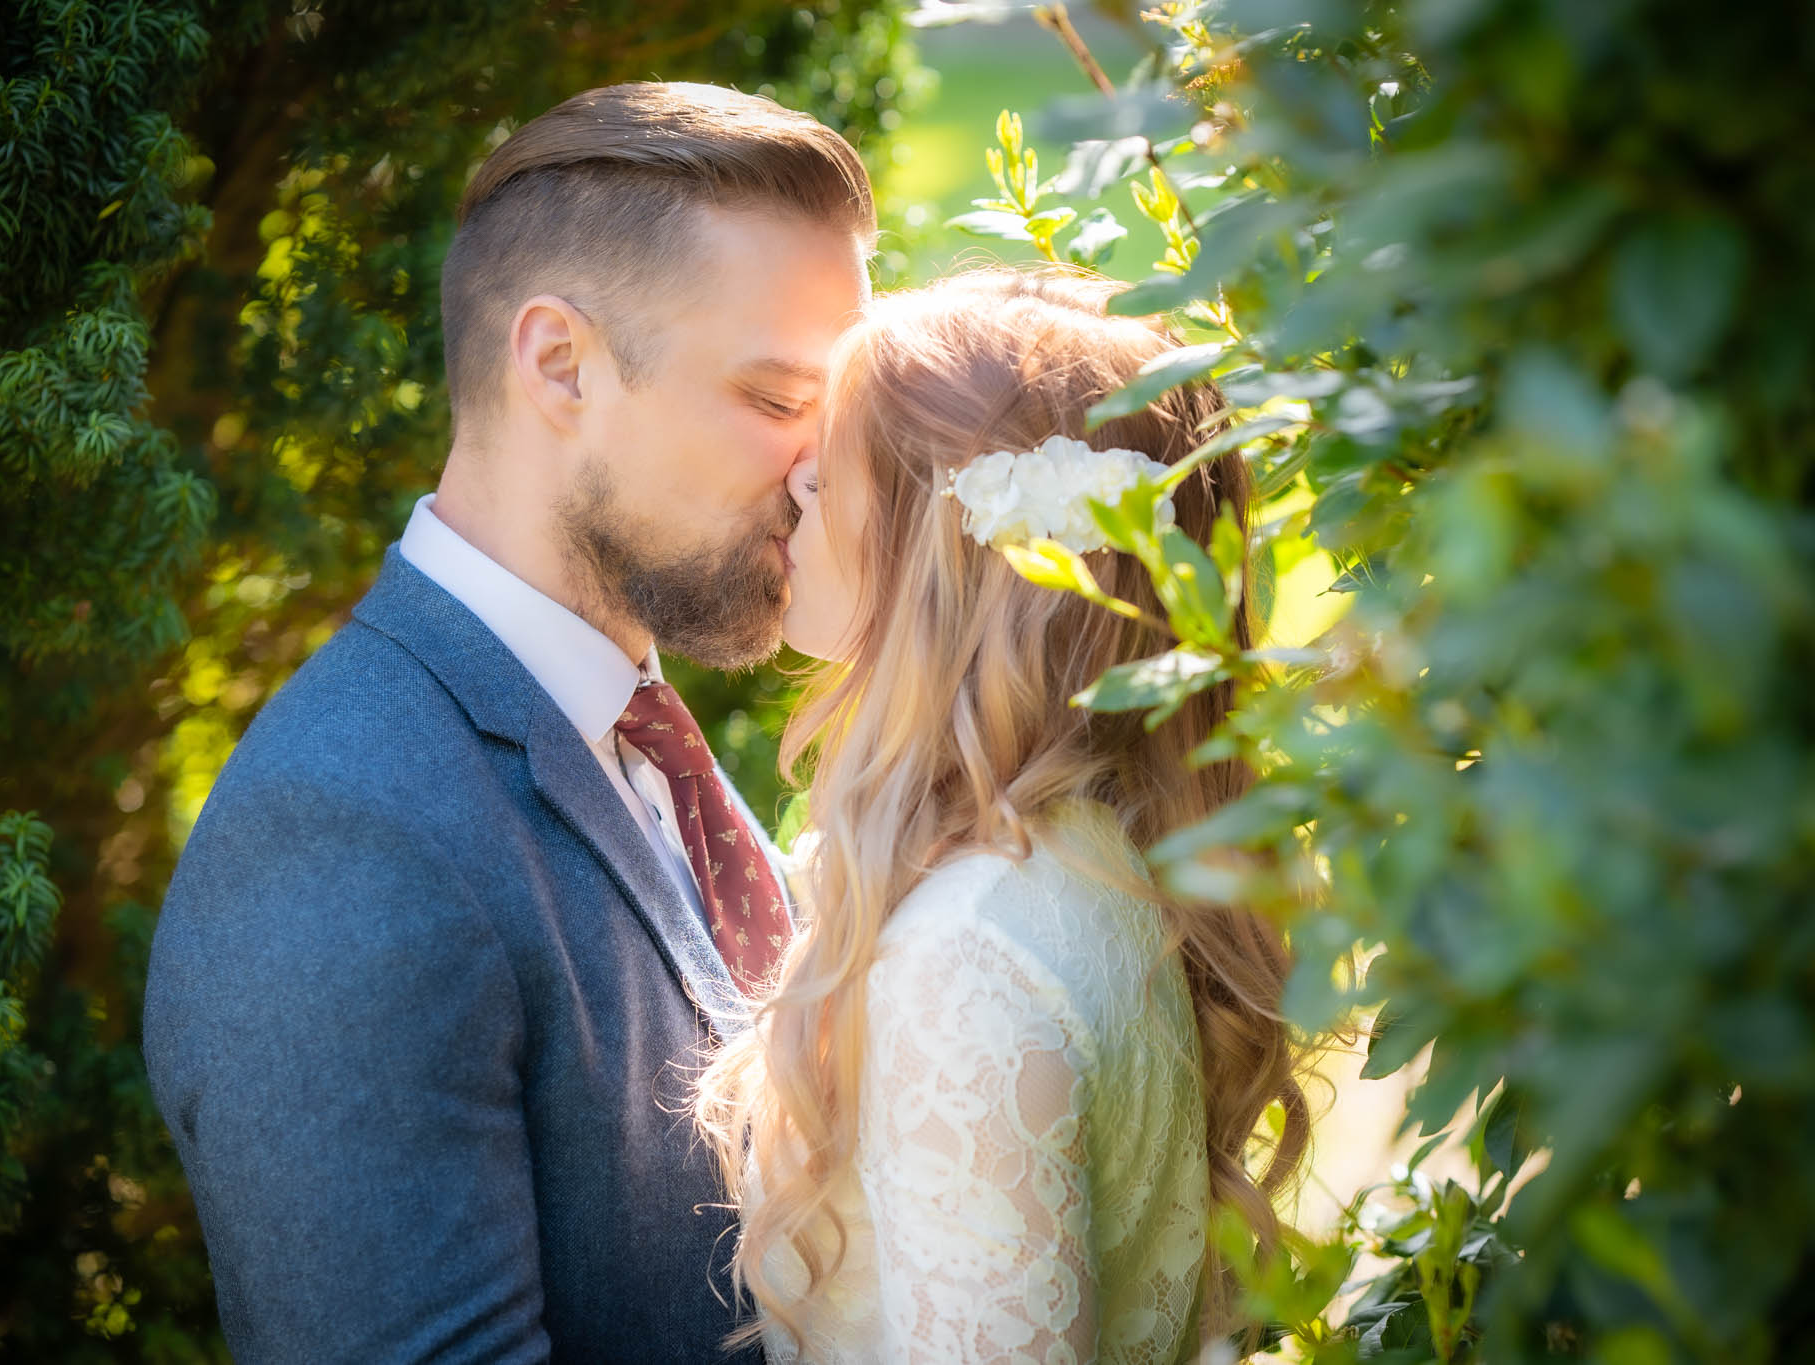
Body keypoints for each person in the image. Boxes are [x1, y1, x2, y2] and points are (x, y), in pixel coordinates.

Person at [142, 82, 872, 1362]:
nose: (818, 470)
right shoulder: (342, 833)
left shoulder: (636, 734)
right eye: (771, 401)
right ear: (558, 364)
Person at [696, 267, 1313, 1363]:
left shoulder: (962, 958)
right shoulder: (1101, 859)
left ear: (943, 552)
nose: (790, 486)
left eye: (827, 473)